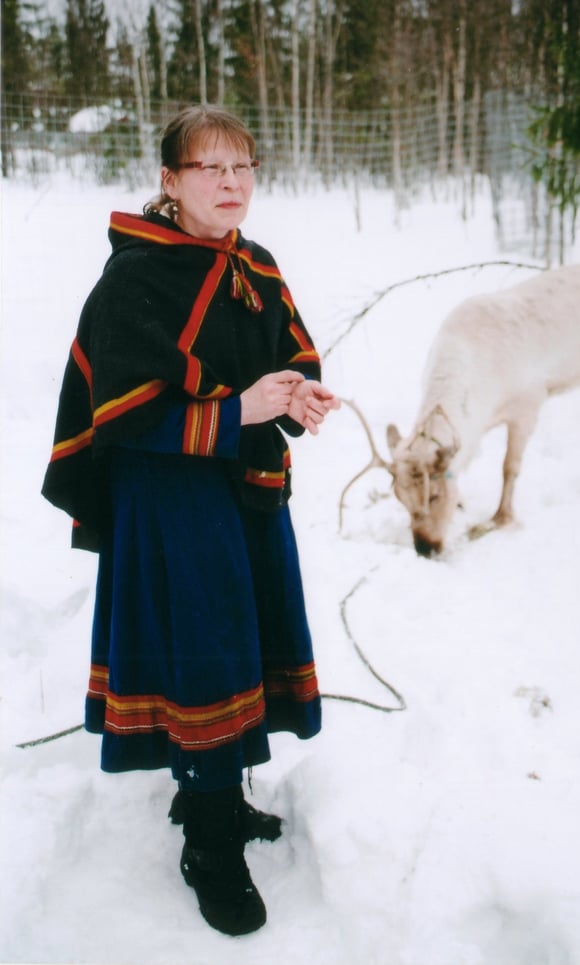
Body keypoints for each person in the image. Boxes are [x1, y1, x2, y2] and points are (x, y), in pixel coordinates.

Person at [42, 104, 340, 937]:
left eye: (242, 166)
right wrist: (238, 407)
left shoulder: (257, 263)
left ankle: (214, 793)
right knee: (203, 648)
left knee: (241, 638)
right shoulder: (137, 278)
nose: (231, 182)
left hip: (245, 487)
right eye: (209, 167)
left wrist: (297, 391)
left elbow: (289, 345)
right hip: (171, 497)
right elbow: (122, 415)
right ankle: (209, 841)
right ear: (169, 181)